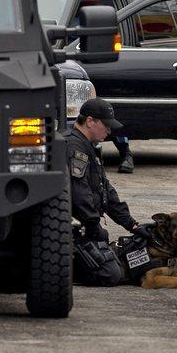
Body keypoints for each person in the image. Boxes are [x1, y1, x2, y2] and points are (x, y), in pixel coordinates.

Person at [68, 98, 140, 286]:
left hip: (86, 228)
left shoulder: (88, 147)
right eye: (106, 126)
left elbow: (105, 190)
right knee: (109, 274)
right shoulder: (75, 148)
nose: (109, 131)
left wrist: (132, 224)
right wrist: (93, 225)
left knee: (123, 264)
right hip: (73, 229)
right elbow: (79, 194)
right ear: (90, 121)